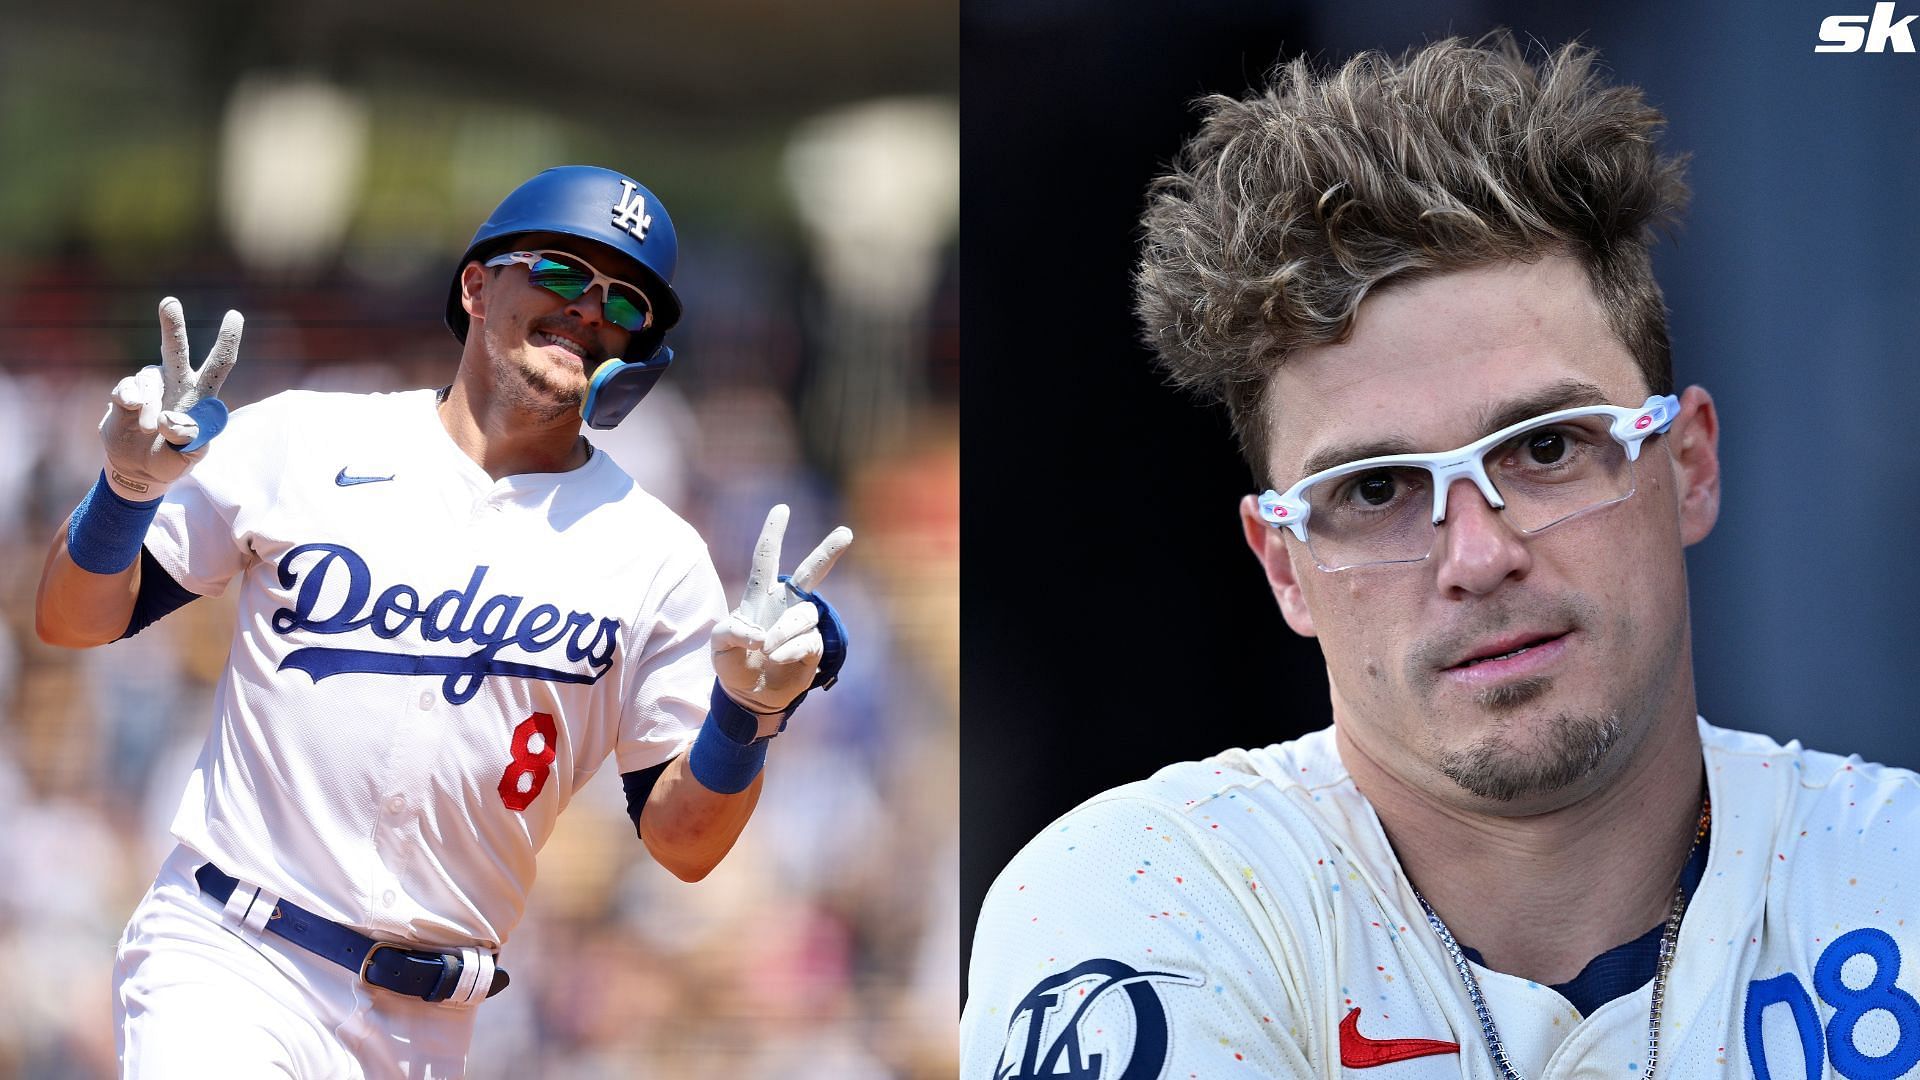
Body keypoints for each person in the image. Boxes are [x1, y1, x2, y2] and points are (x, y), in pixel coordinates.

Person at [962, 34, 1920, 1078]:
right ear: (1283, 565)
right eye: (1375, 489)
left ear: (1689, 466)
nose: (1477, 554)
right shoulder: (1147, 895)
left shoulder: (1895, 871)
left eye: (1547, 447)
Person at [36, 164, 852, 1078]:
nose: (587, 309)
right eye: (557, 274)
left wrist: (747, 716)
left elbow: (684, 844)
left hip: (440, 1028)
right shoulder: (305, 440)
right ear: (475, 284)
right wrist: (125, 493)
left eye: (622, 302)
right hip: (233, 957)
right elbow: (74, 621)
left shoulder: (656, 556)